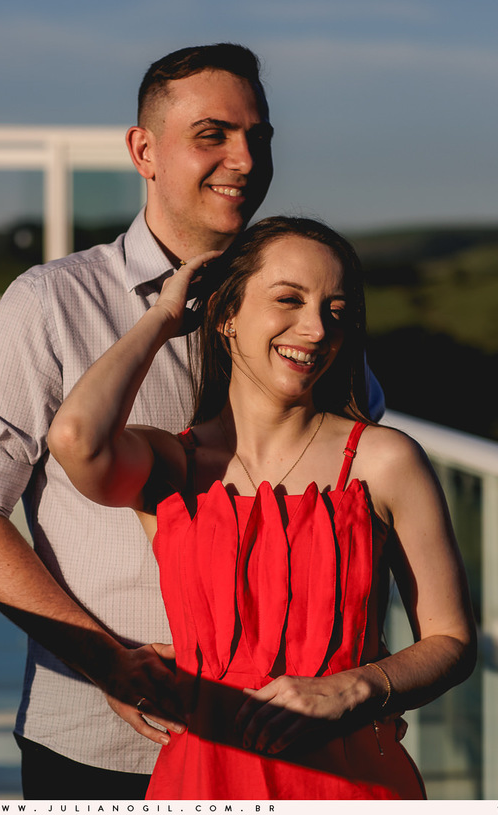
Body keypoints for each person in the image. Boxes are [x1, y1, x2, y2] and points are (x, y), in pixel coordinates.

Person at [0, 44, 383, 799]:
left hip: (295, 755)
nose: (244, 159)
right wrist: (108, 660)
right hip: (106, 748)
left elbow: (359, 485)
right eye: (212, 134)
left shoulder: (306, 313)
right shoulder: (52, 304)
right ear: (144, 150)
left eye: (257, 137)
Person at [47, 216, 476, 799]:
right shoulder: (171, 465)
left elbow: (450, 643)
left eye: (336, 310)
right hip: (203, 778)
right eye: (288, 299)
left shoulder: (383, 460)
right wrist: (164, 318)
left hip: (349, 781)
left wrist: (353, 688)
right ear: (227, 316)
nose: (316, 328)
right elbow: (75, 439)